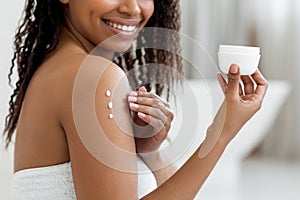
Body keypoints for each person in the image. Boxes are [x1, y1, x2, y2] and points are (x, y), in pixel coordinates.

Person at [4, 0, 268, 199]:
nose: (132, 8)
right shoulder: (92, 77)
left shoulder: (59, 67)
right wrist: (221, 133)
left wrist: (151, 152)